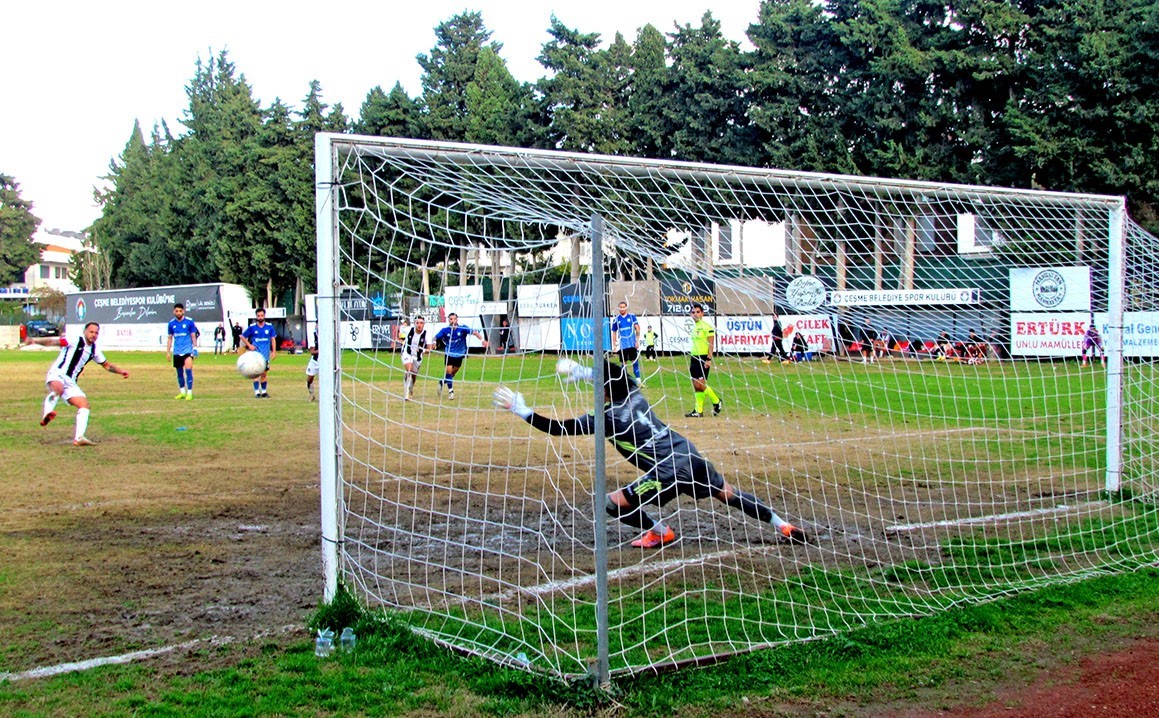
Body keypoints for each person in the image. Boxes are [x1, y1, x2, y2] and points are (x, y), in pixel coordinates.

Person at [493, 358, 806, 548]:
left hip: (667, 470)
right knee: (727, 492)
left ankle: (661, 532)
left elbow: (558, 429)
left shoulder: (605, 418)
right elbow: (619, 377)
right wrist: (588, 371)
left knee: (612, 503)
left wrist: (522, 410)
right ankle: (782, 524)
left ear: (603, 390)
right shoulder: (635, 396)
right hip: (689, 453)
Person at [27, 322, 130, 446]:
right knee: (58, 389)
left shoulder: (94, 349)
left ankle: (79, 437)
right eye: (91, 332)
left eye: (96, 333)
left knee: (84, 405)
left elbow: (106, 365)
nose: (94, 335)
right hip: (58, 373)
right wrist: (34, 340)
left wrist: (121, 372)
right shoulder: (75, 340)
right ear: (85, 331)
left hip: (70, 381)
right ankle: (47, 414)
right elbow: (54, 342)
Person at [430, 312, 487, 400]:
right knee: (448, 371)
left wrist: (482, 340)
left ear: (457, 320)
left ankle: (442, 382)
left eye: (454, 319)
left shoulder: (462, 328)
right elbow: (435, 337)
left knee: (452, 374)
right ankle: (451, 391)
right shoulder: (445, 330)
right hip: (449, 353)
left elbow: (475, 333)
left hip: (460, 354)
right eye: (451, 319)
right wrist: (433, 343)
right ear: (448, 320)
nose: (452, 321)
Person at [686, 303, 722, 417]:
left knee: (700, 385)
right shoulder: (694, 327)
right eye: (693, 312)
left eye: (697, 312)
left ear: (702, 313)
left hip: (703, 358)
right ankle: (698, 411)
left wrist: (708, 359)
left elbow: (711, 344)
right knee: (696, 386)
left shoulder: (707, 327)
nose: (695, 314)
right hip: (694, 358)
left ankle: (716, 401)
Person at [240, 308, 278, 398]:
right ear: (256, 316)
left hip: (265, 355)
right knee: (256, 374)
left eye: (262, 315)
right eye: (258, 316)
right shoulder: (252, 327)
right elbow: (242, 336)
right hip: (255, 356)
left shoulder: (269, 327)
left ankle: (264, 392)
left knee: (264, 374)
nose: (260, 317)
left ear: (264, 316)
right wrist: (249, 345)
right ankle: (257, 392)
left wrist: (274, 351)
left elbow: (273, 339)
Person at [166, 303, 200, 400]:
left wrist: (195, 348)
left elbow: (193, 335)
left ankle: (189, 392)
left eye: (180, 311)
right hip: (177, 351)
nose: (178, 313)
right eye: (176, 311)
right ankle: (182, 392)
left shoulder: (189, 322)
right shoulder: (171, 323)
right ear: (174, 312)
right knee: (179, 373)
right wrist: (168, 352)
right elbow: (169, 338)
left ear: (183, 311)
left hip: (187, 351)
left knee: (188, 371)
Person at [611, 301, 642, 381]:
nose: (622, 308)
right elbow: (614, 332)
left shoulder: (632, 316)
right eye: (620, 307)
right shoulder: (616, 319)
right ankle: (624, 381)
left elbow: (637, 328)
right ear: (618, 308)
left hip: (632, 344)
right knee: (623, 364)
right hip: (623, 346)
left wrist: (637, 341)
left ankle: (639, 381)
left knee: (635, 362)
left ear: (626, 307)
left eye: (623, 307)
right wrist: (614, 345)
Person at [400, 316, 429, 401]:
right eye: (417, 323)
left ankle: (411, 389)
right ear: (415, 323)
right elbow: (400, 333)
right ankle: (407, 395)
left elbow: (430, 348)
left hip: (418, 357)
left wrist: (423, 350)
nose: (419, 325)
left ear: (424, 324)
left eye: (421, 323)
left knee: (414, 376)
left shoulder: (426, 334)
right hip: (407, 353)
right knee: (409, 369)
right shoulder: (409, 330)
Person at [305, 330, 320, 401]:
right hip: (315, 361)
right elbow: (311, 351)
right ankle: (312, 394)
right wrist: (320, 351)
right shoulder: (314, 335)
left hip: (325, 361)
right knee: (309, 379)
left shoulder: (328, 334)